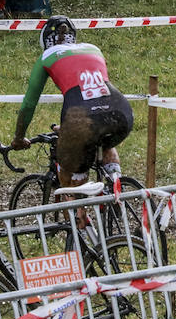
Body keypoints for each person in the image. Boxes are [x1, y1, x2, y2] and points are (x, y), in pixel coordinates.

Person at [9, 15, 133, 190]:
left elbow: (29, 104)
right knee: (105, 143)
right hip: (121, 112)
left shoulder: (47, 56)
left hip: (82, 118)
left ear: (45, 41)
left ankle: (81, 216)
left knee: (70, 174)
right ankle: (116, 184)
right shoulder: (93, 49)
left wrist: (19, 138)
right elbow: (94, 94)